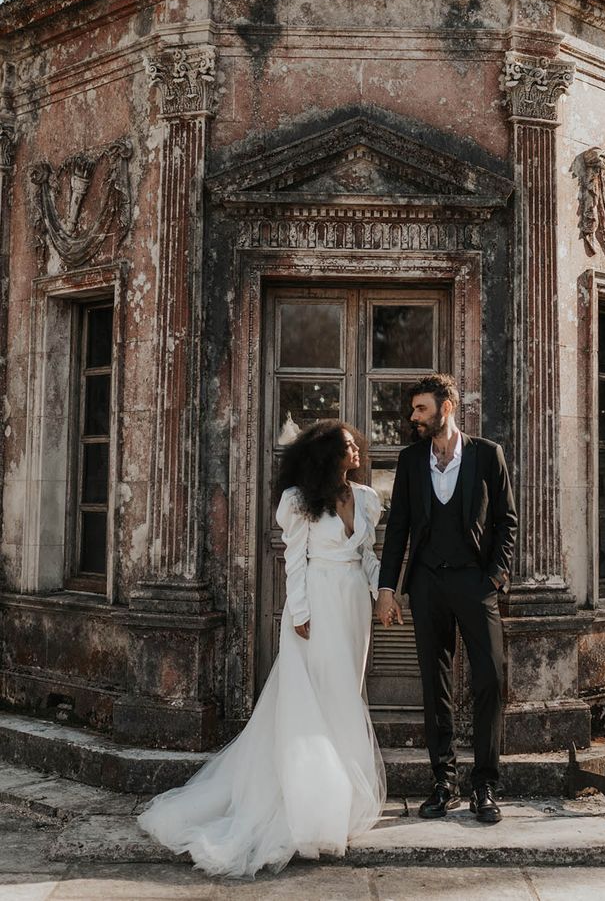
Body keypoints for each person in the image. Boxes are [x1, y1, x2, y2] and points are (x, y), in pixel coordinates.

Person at [137, 421, 386, 878]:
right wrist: (300, 613)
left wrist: (381, 591)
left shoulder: (367, 498)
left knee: (345, 691)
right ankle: (312, 801)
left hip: (353, 605)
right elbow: (294, 558)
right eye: (348, 446)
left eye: (355, 445)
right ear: (327, 454)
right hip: (316, 603)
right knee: (317, 695)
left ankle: (340, 793)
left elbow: (366, 553)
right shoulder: (298, 502)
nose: (357, 451)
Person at [375, 374, 516, 824]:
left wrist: (494, 578)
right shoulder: (411, 459)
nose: (413, 417)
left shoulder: (486, 454)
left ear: (446, 407)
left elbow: (506, 521)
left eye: (420, 409)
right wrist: (386, 588)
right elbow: (397, 529)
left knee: (489, 679)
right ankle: (443, 781)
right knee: (435, 686)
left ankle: (486, 786)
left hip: (476, 585)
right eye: (413, 410)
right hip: (428, 584)